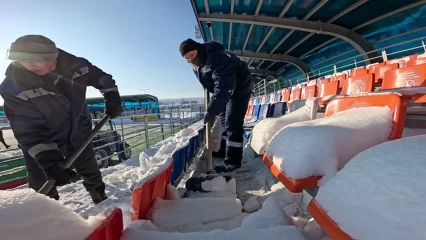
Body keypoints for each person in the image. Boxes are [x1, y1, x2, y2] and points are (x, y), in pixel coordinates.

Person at [0, 35, 123, 204]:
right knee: (42, 184)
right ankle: (51, 215)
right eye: (22, 60)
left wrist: (112, 96)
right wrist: (49, 161)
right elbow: (29, 129)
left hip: (79, 131)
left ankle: (99, 197)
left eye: (34, 60)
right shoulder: (13, 87)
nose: (28, 65)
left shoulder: (79, 66)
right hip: (43, 143)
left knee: (90, 169)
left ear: (53, 55)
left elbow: (102, 78)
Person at [179, 39, 253, 173]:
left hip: (239, 87)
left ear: (198, 49)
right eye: (187, 58)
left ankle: (233, 160)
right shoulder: (197, 64)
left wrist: (212, 110)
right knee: (225, 121)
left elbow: (225, 84)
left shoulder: (217, 56)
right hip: (225, 90)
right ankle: (225, 151)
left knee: (232, 122)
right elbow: (209, 82)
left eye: (192, 54)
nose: (190, 59)